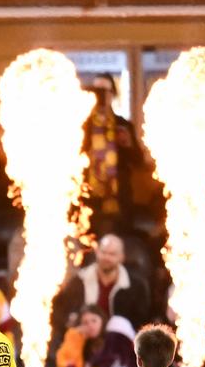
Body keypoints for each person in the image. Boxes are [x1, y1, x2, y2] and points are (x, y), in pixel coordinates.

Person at [83, 73, 145, 237]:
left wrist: (128, 143)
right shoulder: (82, 125)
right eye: (97, 91)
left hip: (119, 200)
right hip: (88, 199)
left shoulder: (123, 125)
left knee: (119, 242)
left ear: (113, 94)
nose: (101, 96)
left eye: (105, 91)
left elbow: (139, 162)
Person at [54, 234, 150, 330]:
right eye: (103, 252)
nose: (106, 258)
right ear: (97, 252)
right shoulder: (79, 281)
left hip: (120, 339)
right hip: (84, 337)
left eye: (112, 254)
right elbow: (61, 314)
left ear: (122, 257)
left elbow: (142, 322)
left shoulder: (136, 286)